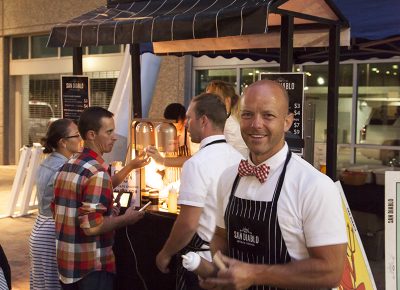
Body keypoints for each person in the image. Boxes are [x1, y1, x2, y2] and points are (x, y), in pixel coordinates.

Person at [201, 80, 347, 290]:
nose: (256, 124)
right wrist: (216, 271)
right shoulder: (228, 178)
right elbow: (220, 236)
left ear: (287, 122)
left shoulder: (315, 186)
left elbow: (331, 271)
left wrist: (255, 275)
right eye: (247, 114)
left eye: (268, 115)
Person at [53, 107, 150, 290]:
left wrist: (109, 212)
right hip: (91, 267)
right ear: (91, 135)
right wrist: (125, 219)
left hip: (66, 265)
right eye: (109, 132)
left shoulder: (68, 165)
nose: (114, 137)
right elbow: (91, 226)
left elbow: (64, 210)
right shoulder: (96, 171)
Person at [156, 93, 243, 290]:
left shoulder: (196, 163)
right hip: (232, 260)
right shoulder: (239, 158)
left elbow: (188, 223)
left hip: (201, 262)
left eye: (189, 118)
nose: (186, 124)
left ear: (203, 120)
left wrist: (165, 253)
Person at [30, 119, 81, 290]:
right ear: (63, 142)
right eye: (77, 135)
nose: (81, 139)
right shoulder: (63, 168)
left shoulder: (49, 162)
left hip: (40, 229)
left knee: (42, 285)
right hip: (52, 233)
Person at [206, 80, 248, 158]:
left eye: (212, 100)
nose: (206, 104)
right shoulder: (234, 121)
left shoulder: (228, 126)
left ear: (227, 101)